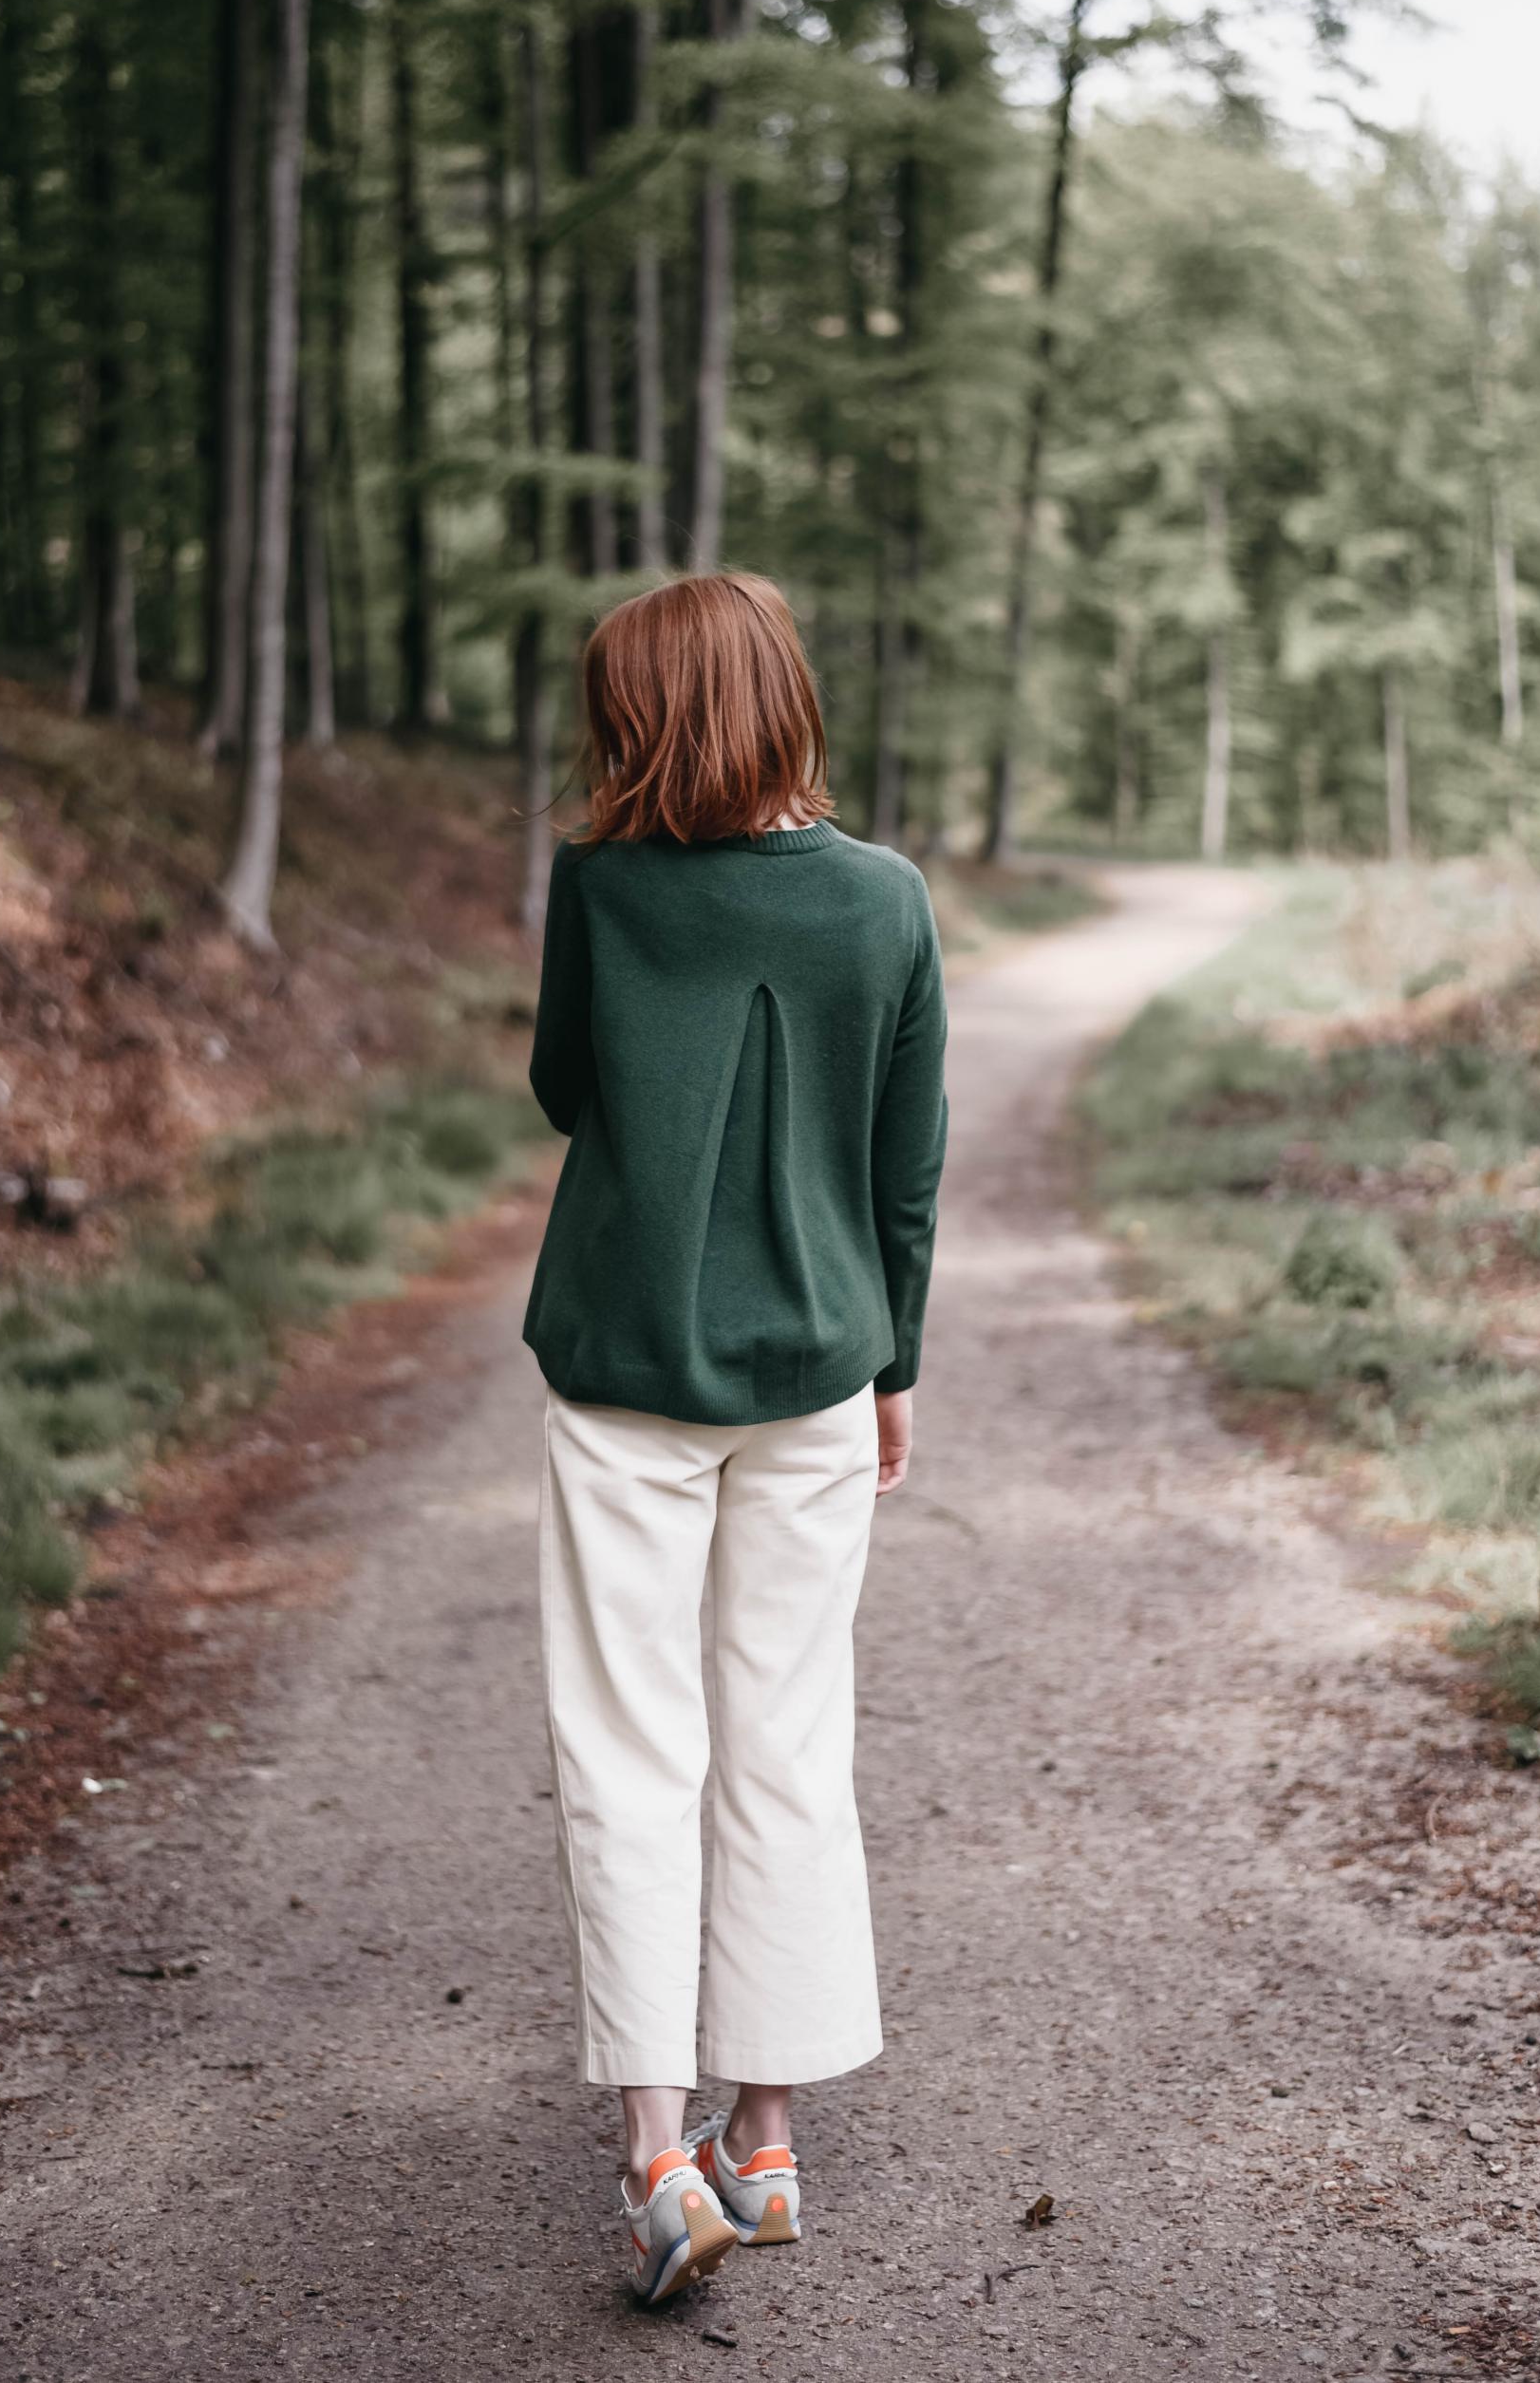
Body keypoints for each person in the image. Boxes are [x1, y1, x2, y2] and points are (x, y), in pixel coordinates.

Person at [523, 572, 948, 2307]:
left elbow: (568, 1087)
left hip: (624, 1368)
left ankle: (652, 2157)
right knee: (785, 1741)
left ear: (644, 716)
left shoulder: (602, 888)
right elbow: (904, 1162)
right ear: (782, 697)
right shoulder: (888, 900)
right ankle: (765, 2145)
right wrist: (895, 1363)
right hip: (820, 1378)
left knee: (631, 1751)